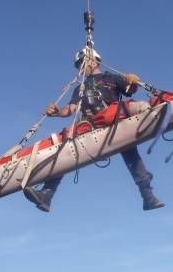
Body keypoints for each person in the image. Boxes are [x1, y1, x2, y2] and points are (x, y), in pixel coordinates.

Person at [23, 47, 165, 212]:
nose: (80, 66)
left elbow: (130, 88)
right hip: (91, 126)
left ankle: (148, 197)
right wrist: (57, 112)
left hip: (114, 122)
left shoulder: (110, 78)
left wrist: (133, 80)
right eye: (78, 64)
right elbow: (71, 108)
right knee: (65, 151)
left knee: (132, 157)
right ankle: (46, 195)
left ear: (96, 60)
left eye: (83, 62)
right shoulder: (80, 87)